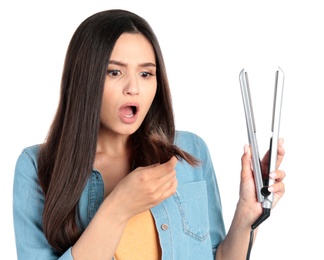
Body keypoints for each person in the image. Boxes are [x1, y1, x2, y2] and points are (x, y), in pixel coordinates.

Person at [12, 9, 286, 260]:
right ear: (84, 78)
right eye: (115, 72)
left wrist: (247, 214)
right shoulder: (38, 165)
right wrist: (118, 207)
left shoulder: (191, 152)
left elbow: (220, 256)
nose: (134, 88)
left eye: (146, 73)